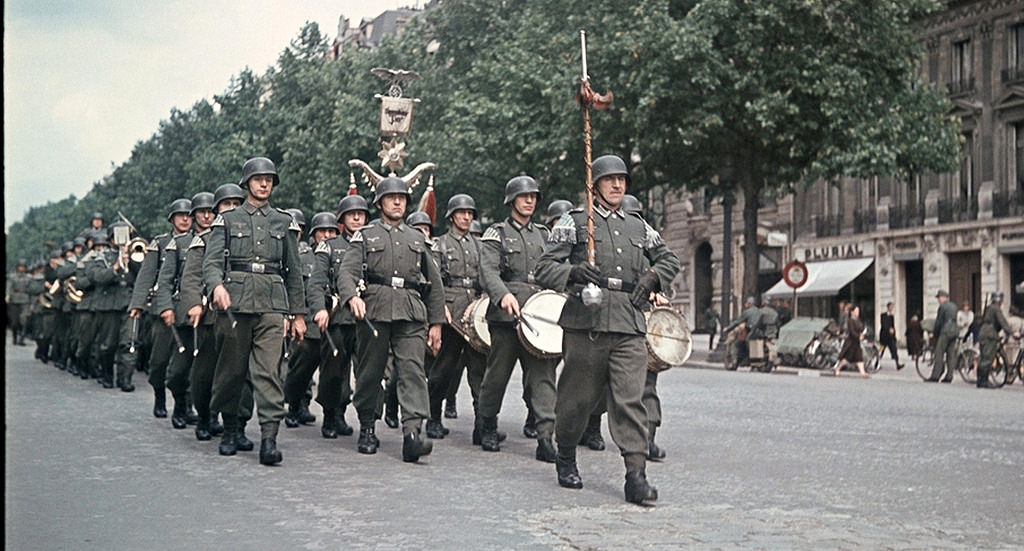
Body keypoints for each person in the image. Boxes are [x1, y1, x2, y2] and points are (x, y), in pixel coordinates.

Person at [536, 154, 680, 505]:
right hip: (587, 323)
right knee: (576, 400)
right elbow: (544, 267)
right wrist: (572, 273)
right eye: (609, 179)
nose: (617, 185)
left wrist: (652, 275)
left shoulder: (639, 226)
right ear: (595, 184)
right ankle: (566, 454)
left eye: (622, 180)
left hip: (629, 323)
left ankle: (636, 475)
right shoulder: (574, 222)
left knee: (630, 400)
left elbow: (669, 259)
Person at [202, 157, 307, 466]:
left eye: (269, 179)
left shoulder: (283, 221)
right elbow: (210, 263)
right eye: (259, 178)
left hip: (273, 305)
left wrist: (298, 314)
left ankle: (269, 438)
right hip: (235, 302)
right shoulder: (227, 220)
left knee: (268, 371)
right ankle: (231, 429)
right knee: (232, 371)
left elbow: (293, 270)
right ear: (246, 182)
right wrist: (215, 287)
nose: (264, 183)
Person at [337, 176, 444, 463]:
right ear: (380, 203)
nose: (397, 202)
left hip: (410, 310)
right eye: (391, 197)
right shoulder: (365, 235)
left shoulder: (417, 238)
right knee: (370, 372)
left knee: (412, 370)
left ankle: (412, 433)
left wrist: (436, 324)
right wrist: (352, 298)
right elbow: (346, 273)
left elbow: (434, 284)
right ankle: (368, 426)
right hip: (375, 310)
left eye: (402, 198)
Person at [476, 175, 560, 462]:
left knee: (543, 377)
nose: (529, 201)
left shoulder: (546, 236)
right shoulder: (496, 233)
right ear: (511, 200)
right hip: (506, 317)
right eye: (524, 196)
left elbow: (554, 271)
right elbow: (487, 271)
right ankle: (486, 424)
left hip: (539, 315)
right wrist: (502, 295)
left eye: (534, 196)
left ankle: (546, 436)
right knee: (497, 376)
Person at [180, 183, 247, 441]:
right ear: (217, 210)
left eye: (236, 204)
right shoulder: (205, 240)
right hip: (210, 317)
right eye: (226, 204)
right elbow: (192, 277)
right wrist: (195, 303)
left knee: (241, 374)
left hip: (241, 314)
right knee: (205, 374)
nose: (232, 209)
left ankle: (238, 426)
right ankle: (206, 417)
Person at [308, 196, 370, 440]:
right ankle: (331, 414)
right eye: (351, 214)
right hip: (337, 317)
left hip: (365, 318)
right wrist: (319, 309)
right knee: (334, 371)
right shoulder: (329, 247)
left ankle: (355, 416)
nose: (356, 218)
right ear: (342, 219)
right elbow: (315, 284)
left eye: (361, 214)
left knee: (366, 372)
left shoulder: (373, 244)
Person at [425, 194, 486, 440]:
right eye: (462, 213)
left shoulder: (480, 246)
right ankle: (433, 419)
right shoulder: (439, 244)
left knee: (479, 373)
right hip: (450, 313)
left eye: (470, 213)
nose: (466, 217)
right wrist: (439, 312)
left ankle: (482, 426)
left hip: (475, 313)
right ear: (451, 216)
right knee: (443, 370)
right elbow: (433, 281)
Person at [153, 198, 200, 427]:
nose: (185, 219)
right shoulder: (173, 244)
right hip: (179, 312)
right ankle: (177, 402)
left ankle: (198, 411)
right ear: (172, 219)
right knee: (169, 366)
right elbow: (162, 281)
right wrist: (165, 307)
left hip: (209, 315)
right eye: (180, 215)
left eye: (188, 215)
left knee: (201, 368)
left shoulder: (216, 240)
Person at [977, 292, 1020, 388]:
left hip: (983, 332)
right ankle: (984, 381)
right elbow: (1002, 321)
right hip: (990, 334)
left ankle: (980, 379)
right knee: (988, 358)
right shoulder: (996, 309)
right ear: (999, 300)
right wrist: (1012, 333)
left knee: (983, 357)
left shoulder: (988, 308)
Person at [927, 290, 958, 383]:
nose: (938, 300)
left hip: (945, 331)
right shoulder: (954, 306)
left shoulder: (942, 307)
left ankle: (935, 375)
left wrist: (934, 333)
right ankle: (949, 376)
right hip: (954, 331)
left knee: (939, 353)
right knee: (950, 354)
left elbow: (939, 321)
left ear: (944, 297)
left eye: (939, 298)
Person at [833, 304, 869, 378]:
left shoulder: (858, 320)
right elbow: (852, 331)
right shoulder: (850, 320)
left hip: (857, 342)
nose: (858, 312)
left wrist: (863, 334)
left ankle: (863, 372)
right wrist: (858, 336)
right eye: (856, 311)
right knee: (847, 357)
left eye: (858, 311)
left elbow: (861, 328)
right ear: (852, 312)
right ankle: (838, 368)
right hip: (851, 342)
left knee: (859, 357)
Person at [724, 296, 760, 366]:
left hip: (751, 332)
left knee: (736, 344)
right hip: (760, 333)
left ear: (749, 304)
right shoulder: (759, 311)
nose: (745, 304)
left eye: (746, 303)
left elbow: (738, 321)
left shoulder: (747, 312)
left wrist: (728, 328)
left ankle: (735, 360)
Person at [6, 259, 32, 345]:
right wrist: (8, 295)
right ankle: (15, 337)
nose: (22, 268)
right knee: (14, 322)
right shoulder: (12, 277)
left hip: (25, 299)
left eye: (23, 267)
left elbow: (31, 288)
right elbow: (9, 286)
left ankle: (22, 338)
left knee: (24, 320)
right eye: (20, 266)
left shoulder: (29, 277)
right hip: (14, 300)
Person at [879, 301, 904, 370]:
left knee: (894, 350)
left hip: (890, 338)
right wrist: (889, 329)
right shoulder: (883, 315)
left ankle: (897, 364)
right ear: (888, 307)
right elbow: (883, 325)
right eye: (891, 307)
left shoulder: (892, 316)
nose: (892, 308)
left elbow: (892, 326)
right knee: (880, 351)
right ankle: (876, 363)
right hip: (884, 337)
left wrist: (894, 335)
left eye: (892, 307)